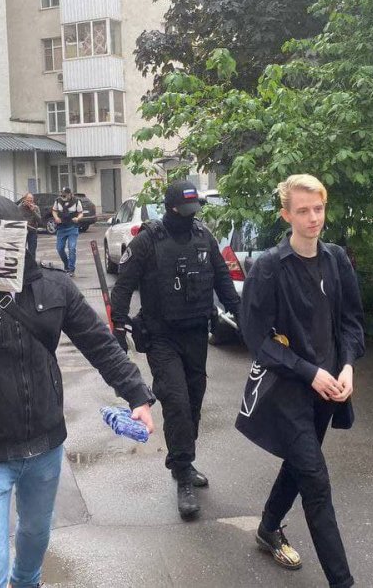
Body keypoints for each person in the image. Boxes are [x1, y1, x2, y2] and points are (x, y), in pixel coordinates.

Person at [0, 195, 155, 588]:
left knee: (35, 536)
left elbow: (99, 344)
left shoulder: (53, 287)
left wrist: (137, 395)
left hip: (45, 444)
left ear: (21, 239)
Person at [236, 174, 364, 588]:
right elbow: (257, 339)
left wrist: (347, 366)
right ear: (286, 215)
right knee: (316, 481)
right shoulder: (270, 268)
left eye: (318, 209)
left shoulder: (337, 259)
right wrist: (310, 372)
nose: (313, 218)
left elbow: (351, 322)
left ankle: (267, 527)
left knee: (299, 464)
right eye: (303, 210)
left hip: (328, 391)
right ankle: (342, 582)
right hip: (288, 391)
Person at [109, 179, 240, 519]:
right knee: (177, 402)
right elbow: (123, 287)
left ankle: (185, 459)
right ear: (170, 209)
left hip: (196, 333)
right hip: (161, 336)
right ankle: (182, 474)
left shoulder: (203, 236)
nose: (191, 216)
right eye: (185, 211)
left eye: (194, 210)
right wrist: (118, 328)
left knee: (193, 401)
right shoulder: (147, 241)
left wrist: (243, 317)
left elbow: (223, 281)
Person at [52, 187, 83, 274]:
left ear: (70, 194)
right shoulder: (58, 201)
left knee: (72, 248)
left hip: (72, 227)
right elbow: (54, 211)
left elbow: (81, 213)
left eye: (65, 194)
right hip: (61, 228)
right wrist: (56, 217)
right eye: (62, 194)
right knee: (60, 248)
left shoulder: (76, 201)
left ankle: (71, 268)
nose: (63, 196)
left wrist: (78, 218)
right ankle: (67, 264)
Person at [17, 192, 42, 261]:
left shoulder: (36, 208)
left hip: (32, 231)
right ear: (24, 200)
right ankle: (23, 265)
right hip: (23, 231)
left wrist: (33, 211)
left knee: (32, 251)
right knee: (22, 250)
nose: (29, 202)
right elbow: (17, 219)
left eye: (31, 200)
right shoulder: (19, 208)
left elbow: (40, 221)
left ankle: (32, 265)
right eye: (28, 200)